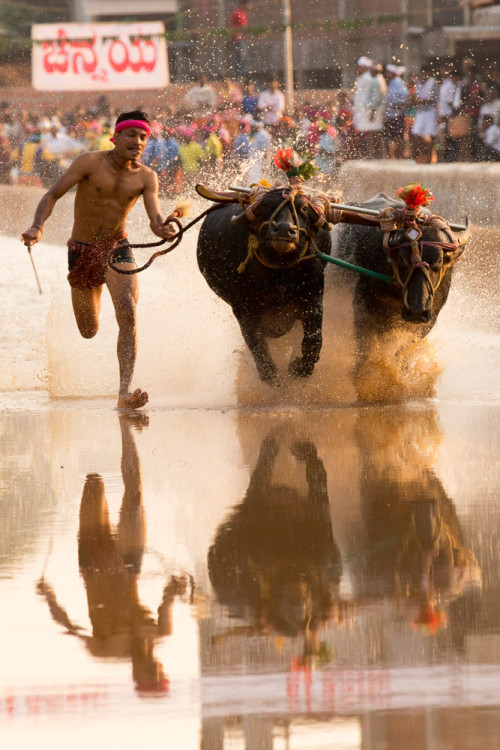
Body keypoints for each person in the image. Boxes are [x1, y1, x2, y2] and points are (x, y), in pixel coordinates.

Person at [21, 110, 177, 411]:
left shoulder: (146, 177)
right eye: (131, 135)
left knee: (128, 313)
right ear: (115, 137)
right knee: (88, 330)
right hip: (81, 252)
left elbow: (156, 220)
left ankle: (124, 393)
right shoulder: (90, 162)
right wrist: (37, 227)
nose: (138, 141)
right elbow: (53, 194)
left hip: (117, 249)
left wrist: (166, 229)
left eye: (143, 136)